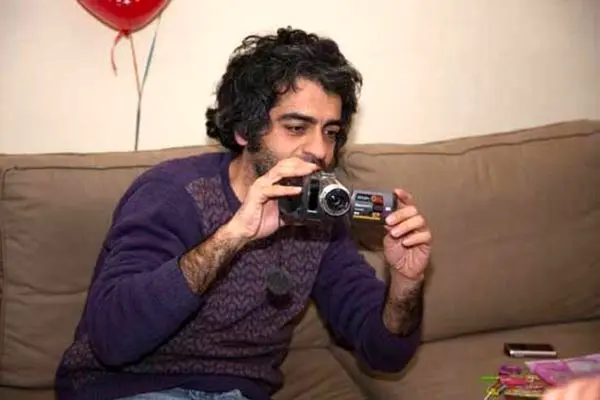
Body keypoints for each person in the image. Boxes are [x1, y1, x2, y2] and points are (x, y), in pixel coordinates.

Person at [54, 26, 432, 400]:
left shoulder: (320, 215)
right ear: (244, 130)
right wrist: (234, 234)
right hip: (132, 388)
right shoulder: (173, 193)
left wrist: (405, 284)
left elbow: (384, 353)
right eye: (296, 127)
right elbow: (111, 340)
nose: (320, 149)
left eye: (330, 132)